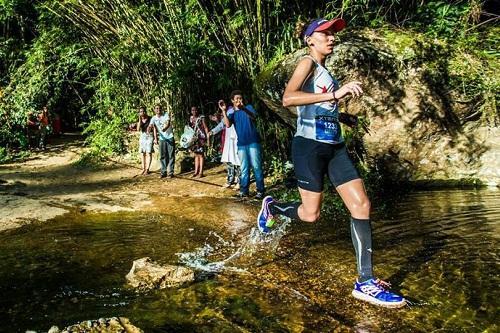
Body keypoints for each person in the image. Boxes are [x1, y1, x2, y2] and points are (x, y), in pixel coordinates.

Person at [256, 18, 406, 308]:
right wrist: (335, 94)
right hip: (309, 147)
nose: (332, 37)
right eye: (325, 33)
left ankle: (365, 281)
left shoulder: (326, 71)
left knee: (362, 205)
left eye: (334, 33)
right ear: (310, 39)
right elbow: (289, 98)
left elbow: (319, 106)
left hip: (335, 147)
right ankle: (272, 207)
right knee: (311, 215)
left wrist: (342, 116)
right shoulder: (307, 62)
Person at [220, 91, 265, 199]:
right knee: (244, 168)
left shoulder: (248, 107)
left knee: (256, 167)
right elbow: (227, 125)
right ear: (232, 101)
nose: (239, 100)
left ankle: (260, 191)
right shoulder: (232, 114)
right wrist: (224, 111)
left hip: (253, 142)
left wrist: (244, 108)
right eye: (237, 99)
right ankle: (244, 191)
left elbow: (254, 117)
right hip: (241, 144)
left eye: (240, 98)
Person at [209, 106, 240, 188]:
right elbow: (222, 124)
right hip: (228, 139)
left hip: (237, 139)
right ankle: (230, 180)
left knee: (237, 160)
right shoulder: (229, 111)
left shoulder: (241, 111)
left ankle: (239, 181)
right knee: (229, 160)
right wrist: (213, 131)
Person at [151, 104, 175, 178]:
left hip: (169, 137)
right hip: (162, 139)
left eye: (159, 108)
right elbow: (153, 127)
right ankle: (163, 172)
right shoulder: (153, 118)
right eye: (157, 108)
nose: (158, 110)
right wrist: (155, 138)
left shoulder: (165, 115)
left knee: (171, 155)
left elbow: (168, 123)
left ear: (161, 109)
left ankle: (170, 172)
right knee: (162, 155)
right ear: (154, 110)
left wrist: (165, 128)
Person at [189, 106, 209, 178]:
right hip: (194, 138)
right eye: (192, 110)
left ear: (197, 111)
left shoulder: (201, 117)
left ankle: (201, 172)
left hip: (201, 137)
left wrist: (208, 137)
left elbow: (205, 127)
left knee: (201, 155)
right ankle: (195, 172)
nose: (194, 111)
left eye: (195, 110)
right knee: (196, 154)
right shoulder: (191, 118)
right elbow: (190, 128)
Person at [136, 106, 154, 175]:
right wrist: (139, 119)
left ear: (145, 111)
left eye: (143, 111)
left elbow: (153, 127)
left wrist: (155, 137)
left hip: (149, 135)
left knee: (148, 152)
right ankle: (143, 168)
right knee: (142, 152)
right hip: (142, 135)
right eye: (140, 112)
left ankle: (147, 169)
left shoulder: (150, 118)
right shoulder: (140, 119)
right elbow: (138, 129)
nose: (142, 113)